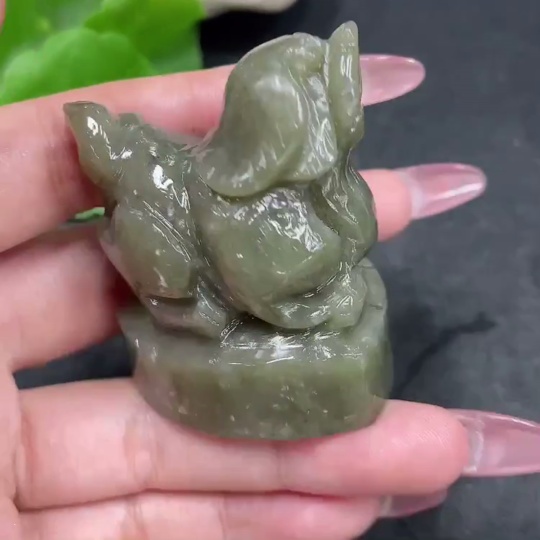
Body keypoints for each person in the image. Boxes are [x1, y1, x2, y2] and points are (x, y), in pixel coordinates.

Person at [4, 46, 537, 539]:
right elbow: (262, 291)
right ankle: (189, 304)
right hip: (202, 274)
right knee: (195, 264)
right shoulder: (238, 212)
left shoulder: (323, 191)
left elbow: (341, 230)